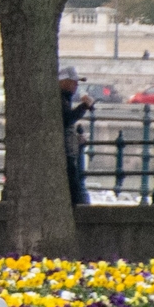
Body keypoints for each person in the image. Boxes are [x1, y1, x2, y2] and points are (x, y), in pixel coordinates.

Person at [60, 67, 94, 205]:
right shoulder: (60, 98)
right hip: (65, 154)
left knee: (74, 184)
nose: (76, 85)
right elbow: (67, 119)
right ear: (64, 81)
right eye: (73, 82)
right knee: (73, 185)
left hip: (67, 151)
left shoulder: (65, 98)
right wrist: (84, 106)